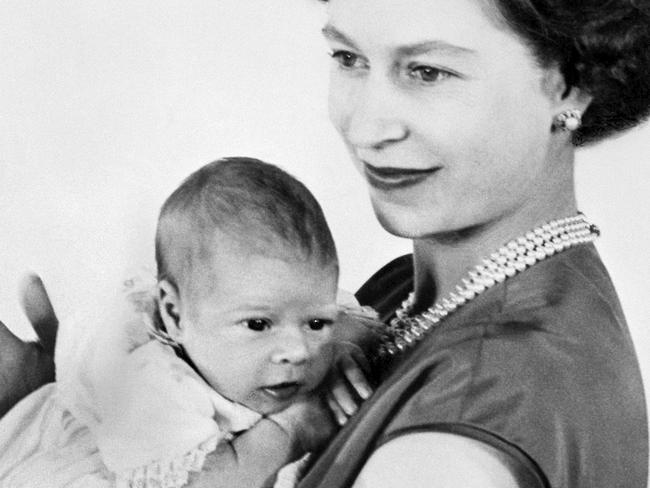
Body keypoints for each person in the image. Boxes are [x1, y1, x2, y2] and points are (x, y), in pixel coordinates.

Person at [1, 0, 649, 486]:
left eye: (426, 71)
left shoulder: (455, 449)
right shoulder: (418, 291)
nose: (366, 124)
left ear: (570, 83)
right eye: (348, 58)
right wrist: (64, 408)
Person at [0, 157, 378, 488]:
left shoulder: (278, 308)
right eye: (259, 325)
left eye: (315, 322)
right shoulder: (161, 391)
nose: (298, 351)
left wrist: (347, 353)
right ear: (176, 315)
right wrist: (290, 431)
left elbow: (358, 325)